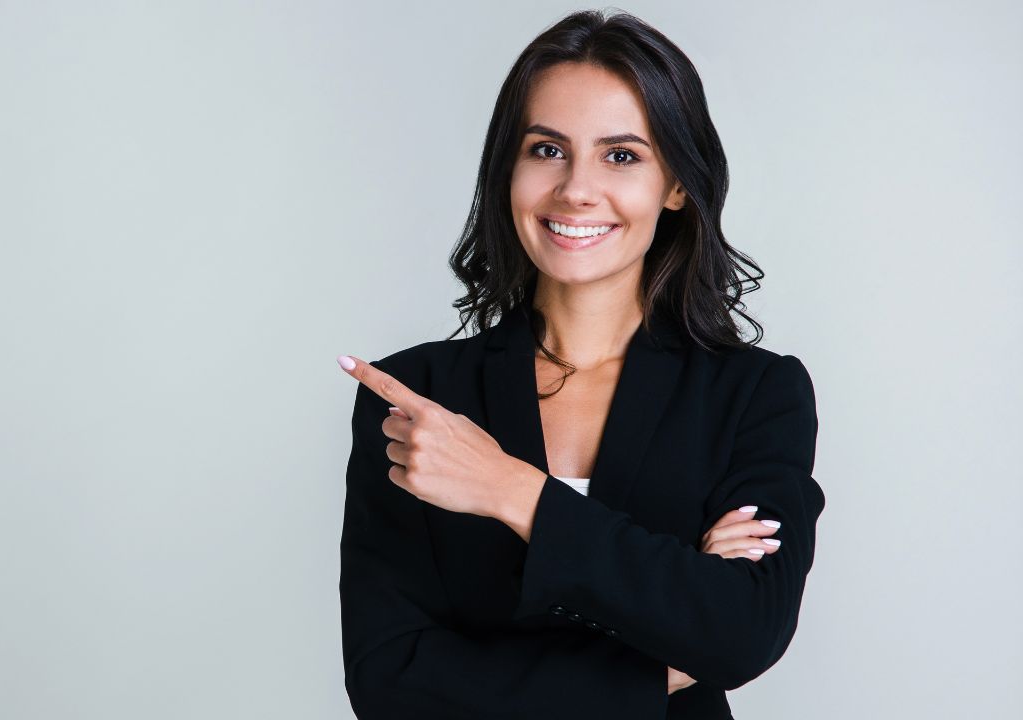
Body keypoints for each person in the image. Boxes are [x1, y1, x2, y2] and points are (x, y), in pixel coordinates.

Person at [335, 9, 824, 719]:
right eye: (546, 149)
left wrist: (512, 490)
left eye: (621, 155)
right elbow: (390, 680)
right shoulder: (417, 399)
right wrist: (655, 667)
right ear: (509, 169)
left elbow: (742, 633)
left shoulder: (754, 394)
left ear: (677, 186)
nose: (575, 189)